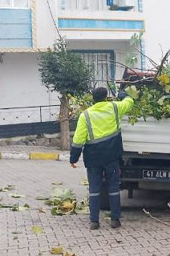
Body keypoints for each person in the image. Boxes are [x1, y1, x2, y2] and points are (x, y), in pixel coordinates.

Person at [70, 87, 134, 230]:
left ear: (93, 99)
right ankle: (115, 220)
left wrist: (73, 158)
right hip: (111, 156)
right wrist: (124, 95)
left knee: (94, 189)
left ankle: (94, 222)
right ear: (106, 97)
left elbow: (78, 139)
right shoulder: (115, 107)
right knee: (113, 188)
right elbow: (130, 102)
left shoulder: (85, 115)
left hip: (93, 159)